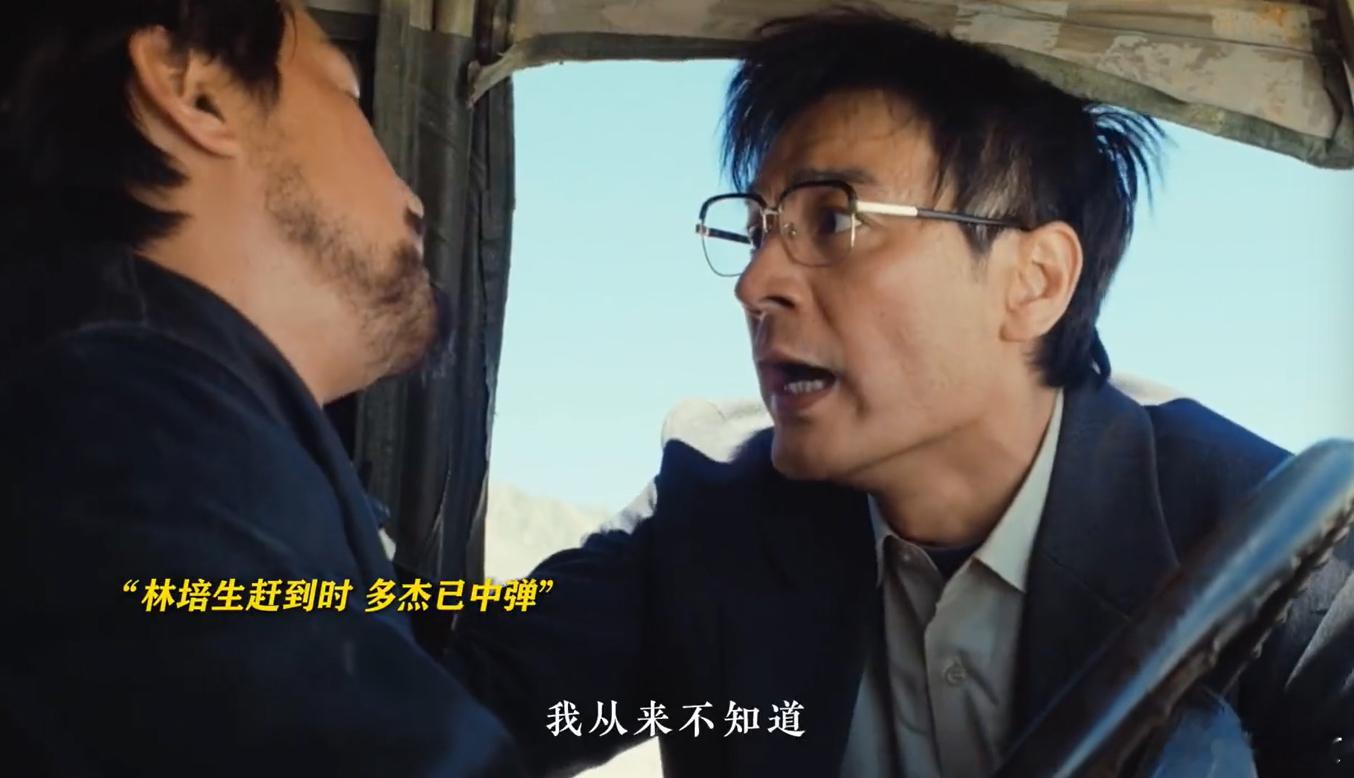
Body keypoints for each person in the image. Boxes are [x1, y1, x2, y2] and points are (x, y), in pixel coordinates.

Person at [451, 10, 1354, 777]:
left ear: (1035, 280)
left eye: (833, 219)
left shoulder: (1281, 560)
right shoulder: (710, 520)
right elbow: (445, 707)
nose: (756, 283)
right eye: (758, 228)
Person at [0, 2, 520, 774]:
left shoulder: (170, 433)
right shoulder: (107, 430)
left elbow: (437, 683)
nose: (413, 199)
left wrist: (685, 520)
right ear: (194, 90)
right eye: (349, 97)